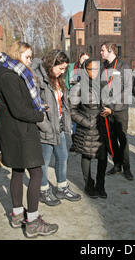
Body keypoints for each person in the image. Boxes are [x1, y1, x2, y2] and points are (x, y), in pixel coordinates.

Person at [0, 41, 58, 238]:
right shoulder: (9, 77)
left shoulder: (8, 73)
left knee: (18, 172)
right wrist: (39, 115)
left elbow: (19, 103)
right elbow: (19, 109)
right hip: (21, 133)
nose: (30, 61)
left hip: (14, 132)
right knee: (36, 174)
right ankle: (33, 222)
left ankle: (18, 214)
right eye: (27, 57)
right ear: (17, 54)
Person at [31, 50, 81, 206]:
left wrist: (66, 123)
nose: (63, 71)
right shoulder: (38, 80)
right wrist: (45, 126)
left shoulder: (58, 79)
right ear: (51, 64)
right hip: (45, 128)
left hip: (58, 126)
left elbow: (63, 103)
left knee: (62, 156)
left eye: (65, 68)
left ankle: (62, 187)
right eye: (60, 68)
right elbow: (35, 107)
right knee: (44, 162)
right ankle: (44, 190)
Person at [70, 58, 108, 199]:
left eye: (97, 69)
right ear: (85, 70)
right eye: (91, 69)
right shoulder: (78, 87)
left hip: (102, 126)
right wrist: (87, 122)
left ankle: (100, 185)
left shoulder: (102, 85)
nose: (95, 72)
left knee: (103, 157)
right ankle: (88, 185)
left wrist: (109, 110)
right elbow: (72, 111)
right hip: (87, 127)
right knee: (87, 156)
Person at [100, 42, 134, 181]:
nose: (100, 52)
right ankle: (116, 165)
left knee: (123, 140)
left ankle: (127, 168)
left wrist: (112, 108)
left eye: (102, 50)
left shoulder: (123, 66)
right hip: (106, 111)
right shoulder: (102, 67)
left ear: (110, 50)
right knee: (111, 140)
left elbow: (127, 90)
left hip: (119, 110)